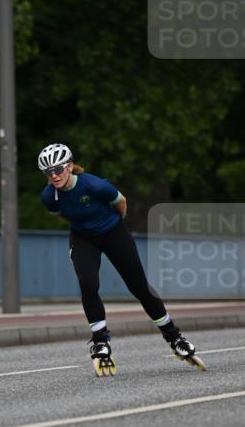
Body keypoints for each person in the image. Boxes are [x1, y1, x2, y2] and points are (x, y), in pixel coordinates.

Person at [38, 142, 202, 371]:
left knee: (139, 287)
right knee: (88, 283)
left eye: (58, 169)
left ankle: (175, 337)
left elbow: (121, 202)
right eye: (48, 172)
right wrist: (85, 226)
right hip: (83, 238)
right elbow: (62, 215)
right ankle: (100, 341)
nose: (54, 175)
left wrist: (116, 225)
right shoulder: (49, 197)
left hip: (114, 232)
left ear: (70, 166)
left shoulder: (94, 185)